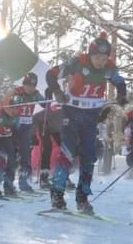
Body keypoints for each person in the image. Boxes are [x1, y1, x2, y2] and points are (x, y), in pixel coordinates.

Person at [44, 33, 127, 212]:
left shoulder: (109, 68)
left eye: (104, 58)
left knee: (89, 156)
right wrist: (57, 91)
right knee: (68, 152)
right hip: (72, 111)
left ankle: (82, 197)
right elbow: (51, 74)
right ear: (90, 54)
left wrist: (121, 96)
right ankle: (57, 194)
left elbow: (120, 83)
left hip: (91, 115)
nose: (101, 62)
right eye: (97, 57)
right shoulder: (76, 63)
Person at [6, 72, 42, 192]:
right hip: (14, 127)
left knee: (25, 156)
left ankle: (23, 182)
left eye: (33, 86)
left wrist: (47, 96)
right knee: (12, 156)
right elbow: (6, 103)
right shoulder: (16, 91)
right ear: (24, 84)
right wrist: (14, 104)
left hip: (26, 128)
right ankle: (8, 183)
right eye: (28, 85)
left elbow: (44, 103)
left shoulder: (36, 94)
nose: (30, 88)